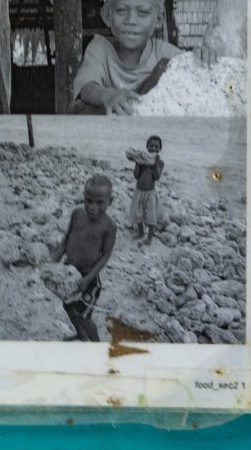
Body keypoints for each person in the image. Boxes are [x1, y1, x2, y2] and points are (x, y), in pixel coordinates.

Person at [73, 0, 182, 114]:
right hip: (109, 133)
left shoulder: (168, 55)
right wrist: (108, 95)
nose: (131, 20)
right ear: (106, 16)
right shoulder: (99, 50)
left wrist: (204, 59)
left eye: (142, 13)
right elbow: (86, 88)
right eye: (121, 11)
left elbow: (200, 75)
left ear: (159, 19)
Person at [48, 175, 117, 341]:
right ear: (83, 197)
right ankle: (80, 334)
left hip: (89, 279)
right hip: (68, 273)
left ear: (110, 201)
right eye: (88, 200)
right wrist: (53, 262)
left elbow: (105, 256)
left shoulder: (109, 226)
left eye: (99, 202)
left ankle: (97, 347)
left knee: (84, 315)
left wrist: (87, 279)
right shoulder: (77, 214)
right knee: (68, 306)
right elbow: (66, 240)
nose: (92, 207)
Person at [127, 135, 165, 244]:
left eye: (156, 147)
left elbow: (157, 177)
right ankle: (141, 232)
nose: (153, 148)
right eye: (151, 146)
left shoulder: (160, 163)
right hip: (139, 191)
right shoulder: (141, 160)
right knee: (138, 214)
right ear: (147, 147)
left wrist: (155, 165)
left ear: (159, 149)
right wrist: (138, 163)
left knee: (151, 216)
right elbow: (136, 175)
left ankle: (149, 237)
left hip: (150, 193)